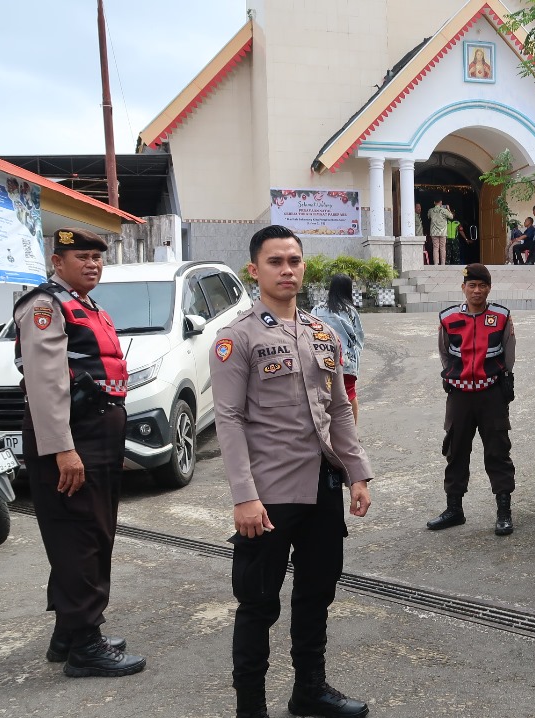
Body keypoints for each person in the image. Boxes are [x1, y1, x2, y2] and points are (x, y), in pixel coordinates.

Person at [211, 225, 373, 718]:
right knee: (259, 603)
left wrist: (357, 473)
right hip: (268, 496)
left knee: (316, 594)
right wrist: (244, 496)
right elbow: (228, 419)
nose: (287, 270)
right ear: (254, 270)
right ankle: (250, 708)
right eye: (276, 261)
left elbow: (338, 408)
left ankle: (310, 691)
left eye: (295, 261)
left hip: (321, 487)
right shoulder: (236, 338)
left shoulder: (323, 333)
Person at [13, 227, 145, 678]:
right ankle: (85, 646)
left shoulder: (87, 306)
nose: (92, 264)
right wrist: (63, 450)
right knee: (79, 536)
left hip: (97, 432)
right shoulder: (45, 305)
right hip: (72, 436)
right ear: (58, 262)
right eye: (82, 257)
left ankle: (69, 633)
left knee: (94, 531)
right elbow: (46, 382)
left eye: (97, 257)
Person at [427, 263, 517, 536]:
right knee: (456, 450)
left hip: (491, 393)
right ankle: (454, 509)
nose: (477, 291)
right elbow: (444, 353)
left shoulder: (501, 316)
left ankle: (504, 512)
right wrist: (456, 376)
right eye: (472, 285)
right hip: (460, 395)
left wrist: (502, 380)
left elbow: (509, 353)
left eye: (482, 286)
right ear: (463, 288)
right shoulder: (448, 317)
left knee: (498, 451)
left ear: (489, 288)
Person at [311, 273, 366, 423]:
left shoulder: (318, 309)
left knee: (324, 395)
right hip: (346, 360)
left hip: (322, 360)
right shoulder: (350, 311)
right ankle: (352, 430)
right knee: (350, 394)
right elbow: (358, 336)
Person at [427, 199, 453, 266]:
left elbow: (428, 217)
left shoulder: (430, 210)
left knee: (435, 248)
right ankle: (443, 263)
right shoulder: (444, 210)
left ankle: (436, 263)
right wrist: (448, 209)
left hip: (434, 232)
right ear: (441, 202)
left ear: (434, 202)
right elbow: (451, 217)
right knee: (442, 247)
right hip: (442, 232)